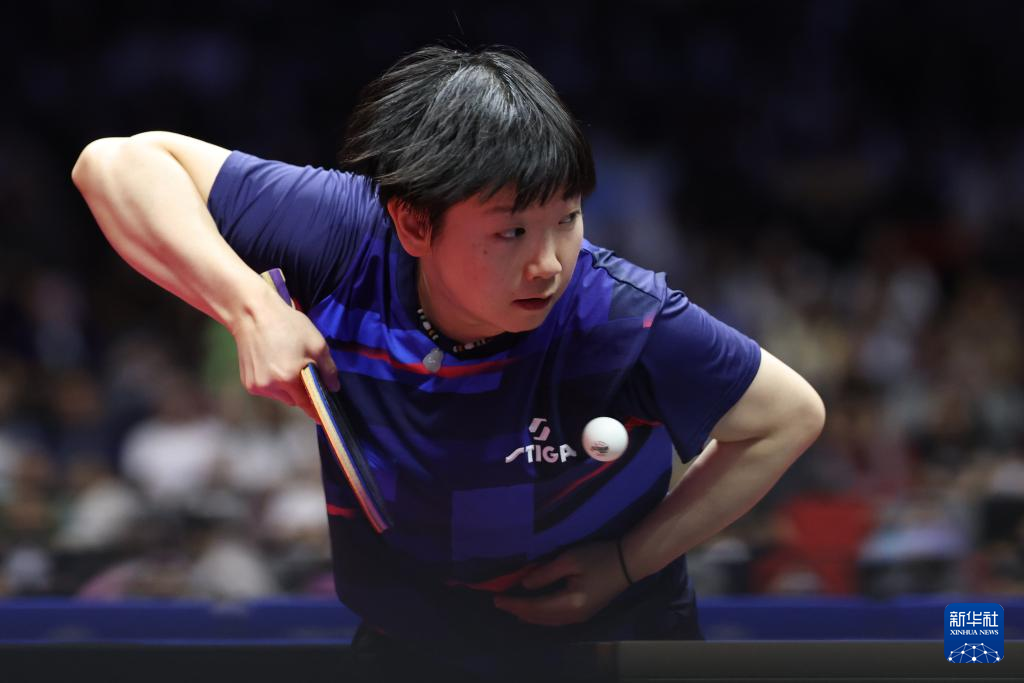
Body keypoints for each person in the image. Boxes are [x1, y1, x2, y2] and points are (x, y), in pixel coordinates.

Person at [72, 46, 825, 680]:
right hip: (410, 641)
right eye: (511, 232)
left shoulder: (620, 317)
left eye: (567, 219)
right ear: (413, 223)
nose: (548, 263)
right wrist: (252, 309)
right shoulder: (347, 238)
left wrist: (628, 562)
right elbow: (114, 164)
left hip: (612, 639)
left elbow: (788, 418)